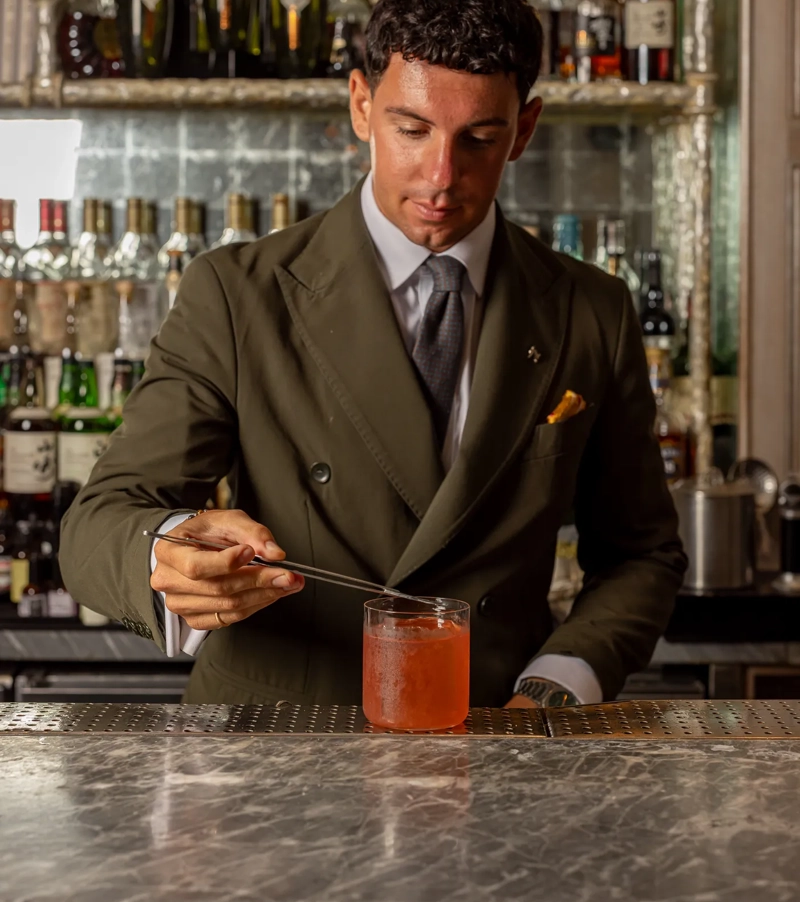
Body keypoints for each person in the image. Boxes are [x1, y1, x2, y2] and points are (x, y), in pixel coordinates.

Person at [61, 0, 686, 709]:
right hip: (277, 741)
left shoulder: (591, 309)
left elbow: (640, 554)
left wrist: (559, 685)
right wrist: (168, 552)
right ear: (361, 105)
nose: (441, 175)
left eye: (479, 138)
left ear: (525, 130)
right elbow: (100, 520)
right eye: (412, 130)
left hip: (495, 738)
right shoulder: (237, 293)